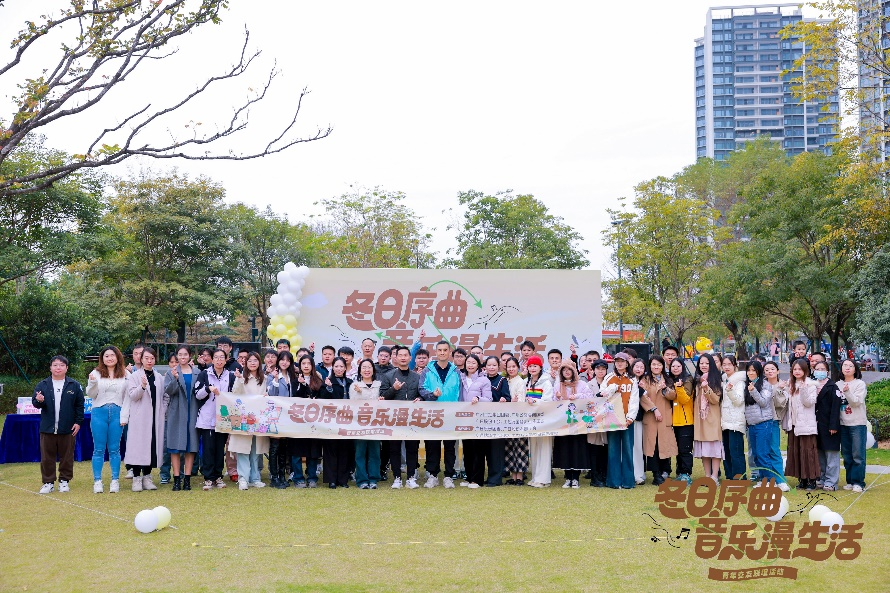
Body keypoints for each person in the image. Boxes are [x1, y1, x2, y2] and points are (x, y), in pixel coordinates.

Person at [34, 356, 85, 494]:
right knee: (47, 457)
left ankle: (64, 481)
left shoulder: (74, 385)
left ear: (66, 368)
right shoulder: (43, 384)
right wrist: (39, 400)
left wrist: (78, 422)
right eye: (55, 365)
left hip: (68, 428)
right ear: (50, 367)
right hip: (47, 428)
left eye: (62, 365)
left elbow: (80, 406)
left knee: (67, 456)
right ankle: (48, 482)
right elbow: (36, 403)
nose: (58, 368)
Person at [87, 345, 130, 494]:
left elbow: (128, 397)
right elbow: (91, 394)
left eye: (112, 355)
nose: (110, 358)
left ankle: (115, 480)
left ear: (118, 357)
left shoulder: (126, 374)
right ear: (102, 358)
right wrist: (92, 383)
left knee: (114, 449)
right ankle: (97, 481)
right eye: (106, 356)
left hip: (117, 413)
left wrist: (124, 415)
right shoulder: (96, 373)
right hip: (99, 413)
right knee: (98, 449)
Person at [420, 340, 462, 488]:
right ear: (436, 352)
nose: (442, 353)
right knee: (432, 446)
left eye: (445, 350)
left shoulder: (456, 372)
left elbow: (460, 393)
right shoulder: (427, 371)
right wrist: (432, 395)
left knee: (450, 447)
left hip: (451, 415)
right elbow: (421, 389)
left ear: (450, 352)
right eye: (440, 350)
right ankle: (433, 475)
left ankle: (449, 476)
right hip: (433, 415)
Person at [125, 347, 165, 492]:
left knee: (151, 446)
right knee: (138, 447)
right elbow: (132, 395)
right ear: (141, 359)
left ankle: (147, 477)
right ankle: (136, 478)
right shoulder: (134, 376)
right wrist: (142, 387)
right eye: (146, 358)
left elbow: (165, 396)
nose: (149, 361)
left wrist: (163, 409)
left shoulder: (159, 377)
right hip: (140, 418)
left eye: (152, 358)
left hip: (155, 418)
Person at [743, 361, 789, 491]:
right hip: (752, 424)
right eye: (749, 370)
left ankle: (774, 481)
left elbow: (764, 403)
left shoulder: (766, 385)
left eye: (754, 370)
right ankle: (764, 479)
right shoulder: (747, 385)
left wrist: (753, 391)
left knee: (767, 453)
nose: (751, 373)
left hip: (766, 423)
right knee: (757, 454)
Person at [195, 349, 235, 491]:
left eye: (221, 357)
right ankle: (208, 477)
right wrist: (208, 388)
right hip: (207, 418)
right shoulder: (204, 374)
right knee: (208, 449)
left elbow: (235, 395)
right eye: (216, 357)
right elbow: (197, 394)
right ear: (212, 360)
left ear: (226, 359)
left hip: (223, 419)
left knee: (219, 449)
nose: (219, 360)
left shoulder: (230, 376)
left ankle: (218, 476)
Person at [230, 352, 270, 490]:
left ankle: (255, 478)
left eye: (255, 360)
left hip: (258, 419)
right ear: (246, 363)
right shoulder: (241, 377)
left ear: (259, 362)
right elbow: (235, 393)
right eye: (250, 361)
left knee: (255, 450)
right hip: (243, 418)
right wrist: (239, 379)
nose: (253, 363)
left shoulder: (264, 378)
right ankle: (243, 478)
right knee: (242, 449)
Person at [552, 362, 593, 488]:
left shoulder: (582, 384)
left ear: (574, 371)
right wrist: (557, 397)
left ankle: (576, 478)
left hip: (578, 424)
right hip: (564, 423)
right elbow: (553, 404)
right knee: (565, 449)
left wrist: (578, 396)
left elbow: (590, 397)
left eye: (569, 369)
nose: (567, 372)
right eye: (564, 370)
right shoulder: (558, 385)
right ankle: (568, 477)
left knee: (577, 449)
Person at [165, 345, 200, 491]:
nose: (182, 357)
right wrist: (175, 378)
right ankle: (176, 479)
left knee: (190, 447)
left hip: (193, 411)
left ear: (190, 356)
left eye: (185, 354)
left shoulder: (197, 372)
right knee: (175, 446)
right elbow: (168, 391)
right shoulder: (171, 372)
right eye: (180, 354)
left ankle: (187, 479)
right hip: (177, 412)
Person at [602, 352, 638, 489]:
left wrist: (630, 417)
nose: (619, 363)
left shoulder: (632, 379)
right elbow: (602, 394)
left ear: (627, 363)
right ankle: (614, 481)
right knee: (613, 450)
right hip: (612, 419)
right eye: (617, 361)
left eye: (622, 361)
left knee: (628, 450)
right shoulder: (608, 378)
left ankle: (628, 481)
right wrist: (613, 388)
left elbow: (634, 400)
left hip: (627, 420)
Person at [640, 356, 678, 486]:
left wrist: (665, 389)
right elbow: (642, 397)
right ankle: (656, 474)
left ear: (663, 366)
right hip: (651, 416)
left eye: (659, 364)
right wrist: (654, 409)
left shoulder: (667, 380)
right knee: (652, 446)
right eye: (654, 364)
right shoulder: (645, 380)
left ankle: (664, 471)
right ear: (650, 366)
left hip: (664, 417)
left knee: (664, 444)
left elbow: (673, 396)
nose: (656, 367)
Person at [783, 359, 820, 490]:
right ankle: (802, 478)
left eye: (800, 369)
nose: (797, 371)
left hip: (806, 424)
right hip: (793, 424)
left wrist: (803, 389)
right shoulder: (790, 385)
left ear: (805, 370)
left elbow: (809, 403)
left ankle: (812, 479)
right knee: (797, 451)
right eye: (795, 369)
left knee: (808, 452)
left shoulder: (811, 385)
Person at [457, 353, 492, 489]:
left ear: (478, 365)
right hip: (464, 418)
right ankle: (469, 477)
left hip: (478, 419)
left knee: (478, 449)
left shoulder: (484, 380)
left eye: (473, 363)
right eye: (468, 362)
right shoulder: (461, 378)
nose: (470, 365)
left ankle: (477, 480)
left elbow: (489, 399)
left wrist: (478, 398)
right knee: (467, 448)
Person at [291, 354, 324, 487]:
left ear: (312, 366)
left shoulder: (318, 381)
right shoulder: (294, 381)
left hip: (314, 422)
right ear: (299, 365)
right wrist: (302, 385)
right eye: (303, 363)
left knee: (313, 451)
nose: (306, 366)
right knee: (297, 451)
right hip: (298, 421)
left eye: (308, 363)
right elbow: (295, 397)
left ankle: (312, 477)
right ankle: (298, 477)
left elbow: (322, 397)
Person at [322, 356, 354, 488]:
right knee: (331, 450)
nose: (339, 369)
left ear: (345, 368)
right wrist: (329, 388)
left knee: (345, 450)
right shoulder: (327, 382)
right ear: (332, 368)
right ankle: (331, 480)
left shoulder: (351, 383)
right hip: (331, 422)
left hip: (348, 421)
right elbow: (322, 400)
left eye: (341, 366)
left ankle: (343, 479)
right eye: (336, 366)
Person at [267, 351, 297, 488]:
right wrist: (275, 380)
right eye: (282, 359)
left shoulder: (292, 376)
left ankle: (282, 475)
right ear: (278, 361)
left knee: (284, 448)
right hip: (275, 416)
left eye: (288, 360)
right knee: (274, 447)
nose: (285, 362)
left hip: (288, 416)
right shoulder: (272, 375)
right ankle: (274, 477)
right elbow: (271, 394)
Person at [351, 359, 382, 489]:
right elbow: (352, 404)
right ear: (359, 371)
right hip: (359, 424)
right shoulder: (354, 385)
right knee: (360, 453)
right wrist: (359, 392)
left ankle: (373, 479)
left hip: (375, 424)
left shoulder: (379, 385)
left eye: (369, 367)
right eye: (363, 367)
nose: (366, 370)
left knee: (375, 452)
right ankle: (362, 480)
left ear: (373, 370)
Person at [837, 360, 867, 493]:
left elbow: (856, 402)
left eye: (851, 366)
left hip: (857, 424)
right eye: (845, 365)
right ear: (841, 368)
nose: (847, 368)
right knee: (847, 455)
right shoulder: (837, 384)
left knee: (858, 455)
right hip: (842, 424)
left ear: (855, 369)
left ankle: (858, 482)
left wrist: (847, 392)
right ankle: (850, 481)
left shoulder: (860, 384)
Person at [693, 353, 723, 484]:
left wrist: (706, 387)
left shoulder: (716, 379)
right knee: (704, 449)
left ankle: (714, 476)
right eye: (701, 363)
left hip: (713, 418)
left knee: (715, 449)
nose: (704, 365)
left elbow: (715, 400)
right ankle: (707, 475)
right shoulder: (697, 380)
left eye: (707, 363)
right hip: (700, 419)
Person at [525, 355, 554, 487]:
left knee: (544, 449)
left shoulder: (546, 382)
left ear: (540, 367)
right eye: (530, 366)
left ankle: (543, 479)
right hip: (531, 421)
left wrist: (535, 401)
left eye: (535, 366)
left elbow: (548, 401)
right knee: (534, 449)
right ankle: (535, 477)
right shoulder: (527, 382)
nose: (532, 368)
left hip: (544, 420)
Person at [813, 360, 842, 492]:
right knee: (820, 453)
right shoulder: (812, 385)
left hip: (829, 425)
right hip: (816, 425)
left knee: (831, 454)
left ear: (827, 372)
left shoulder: (833, 387)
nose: (819, 371)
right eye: (817, 369)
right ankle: (822, 478)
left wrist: (833, 426)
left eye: (822, 369)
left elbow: (836, 408)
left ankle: (832, 481)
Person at [484, 356, 510, 487]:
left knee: (496, 450)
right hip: (483, 420)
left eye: (494, 365)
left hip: (497, 420)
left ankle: (496, 478)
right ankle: (490, 476)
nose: (491, 367)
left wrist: (504, 399)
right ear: (485, 367)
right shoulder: (482, 379)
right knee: (488, 450)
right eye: (489, 365)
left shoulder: (502, 380)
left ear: (498, 367)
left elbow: (507, 397)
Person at [668, 358, 694, 484]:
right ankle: (679, 472)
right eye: (673, 366)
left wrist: (678, 388)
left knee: (685, 450)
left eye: (678, 366)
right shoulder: (669, 380)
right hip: (673, 421)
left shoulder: (687, 380)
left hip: (685, 421)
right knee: (677, 450)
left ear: (682, 367)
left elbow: (684, 399)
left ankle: (686, 473)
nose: (675, 368)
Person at [721, 355, 747, 480]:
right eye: (724, 364)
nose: (726, 367)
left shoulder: (739, 382)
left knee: (736, 451)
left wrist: (730, 390)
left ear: (735, 366)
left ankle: (740, 478)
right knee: (726, 450)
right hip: (724, 420)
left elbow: (739, 401)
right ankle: (730, 476)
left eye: (729, 364)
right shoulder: (724, 380)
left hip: (736, 421)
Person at [503, 357, 527, 485]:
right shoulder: (505, 381)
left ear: (518, 367)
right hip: (507, 419)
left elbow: (521, 400)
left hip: (519, 418)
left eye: (513, 366)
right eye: (509, 367)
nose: (511, 369)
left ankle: (520, 477)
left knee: (520, 447)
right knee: (510, 447)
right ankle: (513, 475)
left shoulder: (520, 382)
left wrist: (512, 402)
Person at [586, 360, 610, 487]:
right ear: (593, 370)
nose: (600, 371)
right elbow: (586, 401)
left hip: (607, 420)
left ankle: (603, 475)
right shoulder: (589, 385)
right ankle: (594, 477)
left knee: (604, 449)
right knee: (594, 449)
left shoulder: (610, 384)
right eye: (598, 369)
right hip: (593, 421)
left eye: (603, 369)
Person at [629, 358, 647, 485]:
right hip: (627, 419)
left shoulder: (646, 382)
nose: (639, 369)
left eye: (641, 367)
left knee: (638, 447)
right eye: (637, 366)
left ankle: (639, 474)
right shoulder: (628, 380)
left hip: (640, 418)